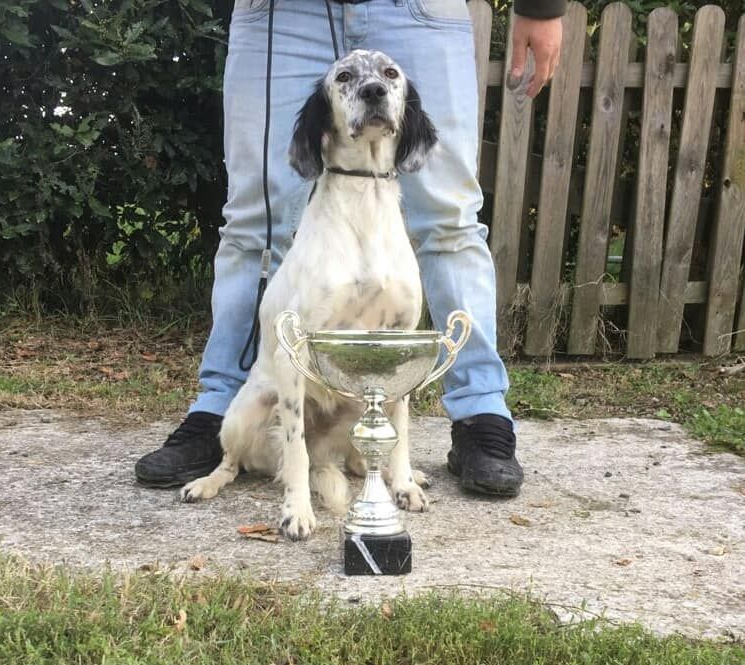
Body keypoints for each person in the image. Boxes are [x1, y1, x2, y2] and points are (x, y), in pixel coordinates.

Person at [135, 0, 565, 498]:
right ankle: (225, 409)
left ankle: (480, 414)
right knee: (254, 222)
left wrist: (541, 6)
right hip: (280, 13)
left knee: (451, 221)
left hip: (421, 10)